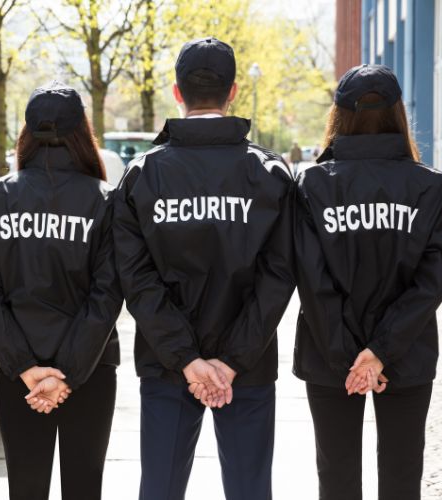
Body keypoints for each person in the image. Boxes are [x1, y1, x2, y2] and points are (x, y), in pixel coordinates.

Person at [114, 37, 295, 500]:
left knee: (160, 488)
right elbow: (279, 278)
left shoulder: (143, 174)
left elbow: (136, 280)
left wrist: (188, 361)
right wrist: (231, 361)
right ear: (233, 92)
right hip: (247, 364)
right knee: (250, 489)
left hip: (167, 361)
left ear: (177, 93)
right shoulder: (270, 173)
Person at [293, 64, 442, 500]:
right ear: (398, 114)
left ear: (338, 115)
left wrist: (351, 355)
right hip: (407, 351)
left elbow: (312, 281)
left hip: (331, 358)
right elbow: (434, 279)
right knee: (403, 477)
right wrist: (379, 352)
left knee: (336, 477)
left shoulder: (312, 184)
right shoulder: (431, 186)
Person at [0, 81, 123, 500]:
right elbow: (107, 294)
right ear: (82, 132)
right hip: (89, 371)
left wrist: (25, 368)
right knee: (84, 485)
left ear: (27, 132)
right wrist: (68, 373)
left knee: (25, 485)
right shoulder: (105, 200)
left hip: (20, 373)